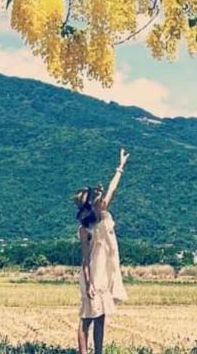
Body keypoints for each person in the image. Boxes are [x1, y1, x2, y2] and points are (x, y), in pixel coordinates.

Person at [73, 148, 129, 354]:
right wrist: (88, 284)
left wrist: (120, 167)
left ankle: (98, 351)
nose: (100, 198)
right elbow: (85, 260)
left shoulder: (104, 214)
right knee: (87, 316)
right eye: (96, 197)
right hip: (92, 276)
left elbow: (113, 188)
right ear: (90, 205)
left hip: (104, 274)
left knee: (101, 316)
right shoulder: (85, 229)